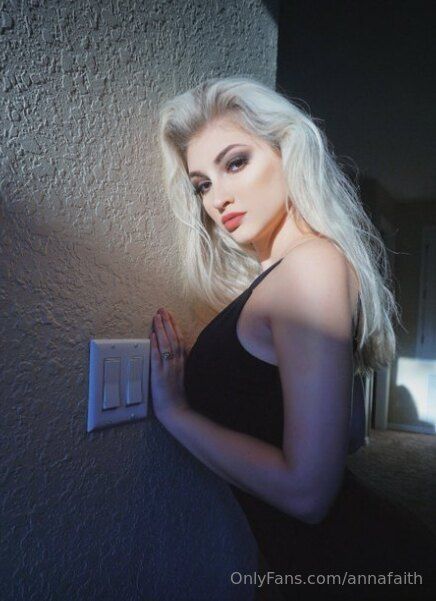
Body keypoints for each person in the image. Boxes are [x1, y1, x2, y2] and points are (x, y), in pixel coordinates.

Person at [149, 76, 436, 600]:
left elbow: (308, 494)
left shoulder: (311, 266)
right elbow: (339, 432)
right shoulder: (282, 275)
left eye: (236, 163)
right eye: (202, 184)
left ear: (287, 151)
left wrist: (176, 413)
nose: (218, 198)